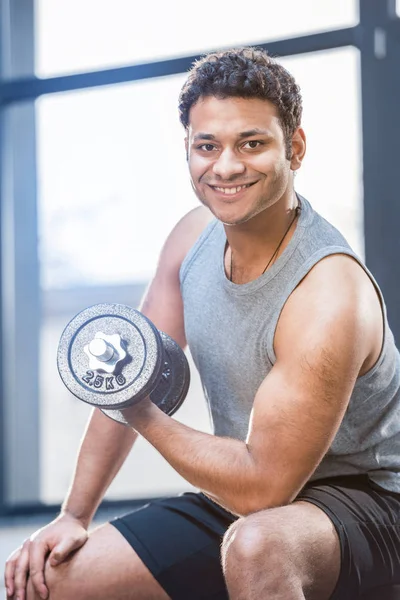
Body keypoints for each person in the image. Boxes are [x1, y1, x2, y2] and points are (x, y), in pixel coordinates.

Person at [5, 47, 400, 600]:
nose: (227, 166)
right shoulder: (192, 240)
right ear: (188, 151)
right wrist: (73, 514)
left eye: (252, 143)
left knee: (257, 546)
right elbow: (132, 366)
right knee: (45, 578)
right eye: (206, 146)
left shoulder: (328, 291)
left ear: (296, 147)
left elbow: (264, 485)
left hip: (370, 502)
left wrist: (140, 408)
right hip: (246, 498)